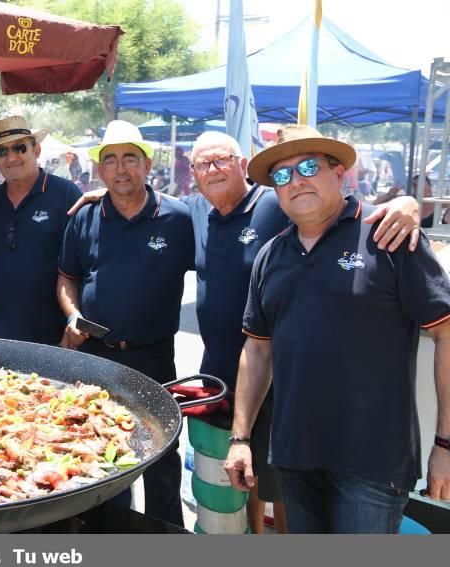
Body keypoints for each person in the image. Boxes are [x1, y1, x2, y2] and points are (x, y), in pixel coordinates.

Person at [68, 129, 421, 533]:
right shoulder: (193, 212)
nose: (214, 169)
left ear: (241, 164)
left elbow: (342, 210)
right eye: (204, 164)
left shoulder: (276, 200)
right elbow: (141, 209)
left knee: (284, 490)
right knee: (229, 489)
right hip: (221, 376)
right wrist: (103, 196)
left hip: (280, 378)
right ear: (193, 173)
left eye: (222, 160)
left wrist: (405, 203)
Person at [225, 124, 450, 533]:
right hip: (295, 455)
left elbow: (446, 335)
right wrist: (240, 440)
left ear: (339, 173)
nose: (295, 180)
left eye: (309, 166)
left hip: (373, 463)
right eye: (282, 174)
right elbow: (257, 350)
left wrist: (446, 444)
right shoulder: (271, 254)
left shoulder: (389, 236)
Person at [57, 120, 196, 527]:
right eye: (111, 160)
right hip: (97, 356)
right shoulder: (85, 218)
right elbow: (67, 277)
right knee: (100, 451)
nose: (121, 169)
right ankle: (106, 536)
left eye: (130, 159)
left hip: (154, 356)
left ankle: (166, 537)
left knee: (161, 455)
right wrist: (71, 314)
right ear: (100, 170)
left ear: (147, 164)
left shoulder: (178, 217)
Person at [0, 116, 81, 345]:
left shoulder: (66, 195)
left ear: (36, 150)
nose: (11, 157)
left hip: (58, 333)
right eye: (1, 151)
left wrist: (74, 320)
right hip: (0, 331)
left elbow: (82, 265)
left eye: (20, 148)